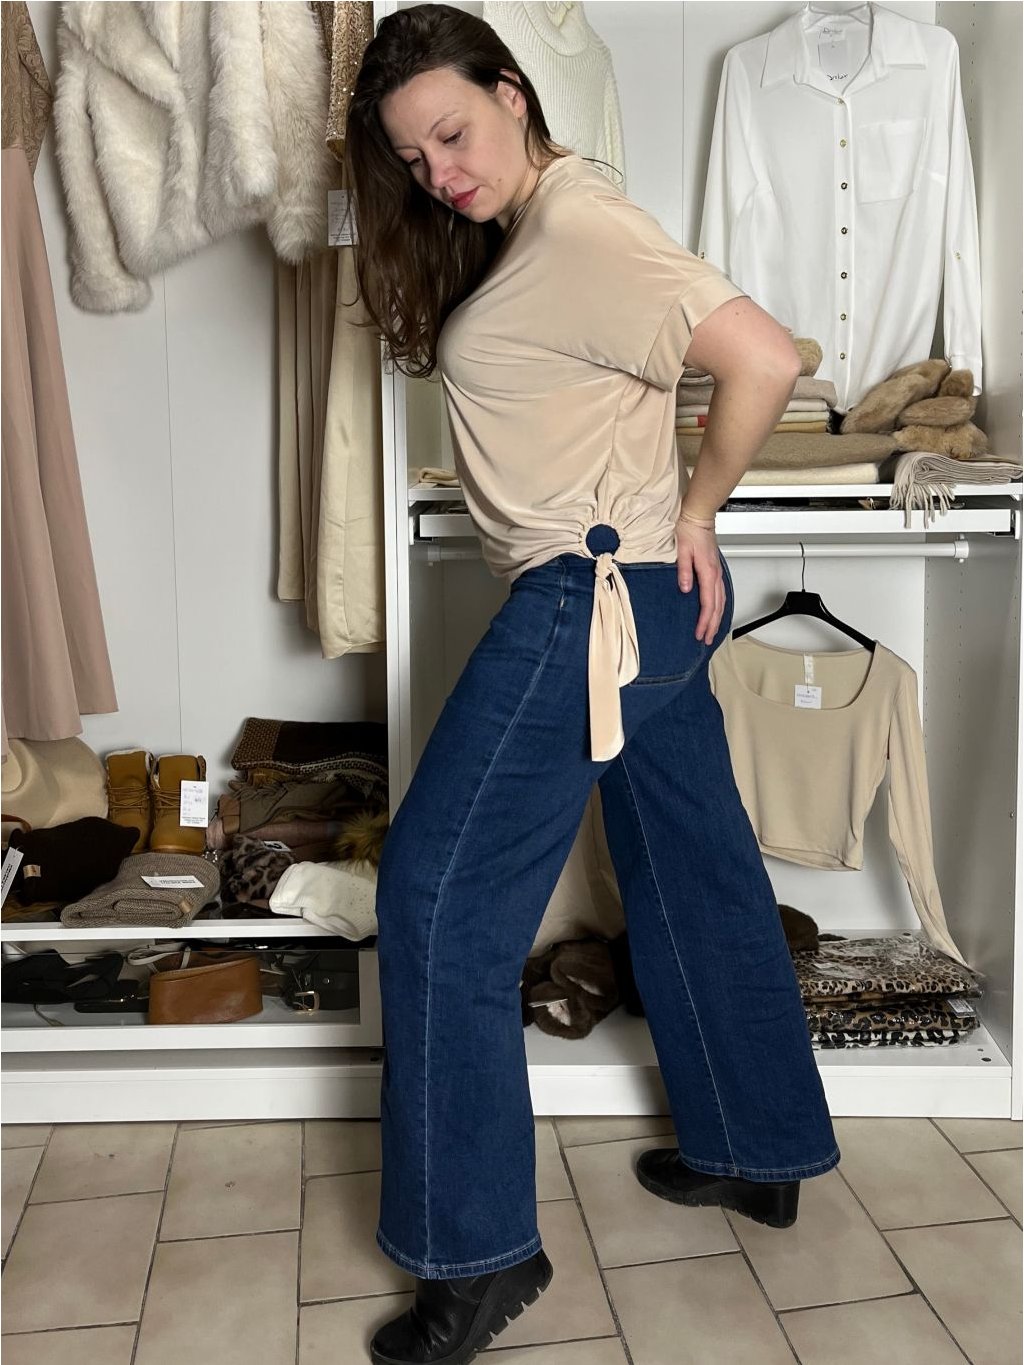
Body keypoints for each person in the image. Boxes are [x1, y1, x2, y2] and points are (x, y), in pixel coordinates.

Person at [345, 7, 840, 1363]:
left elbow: (763, 355)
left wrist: (701, 508)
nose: (441, 172)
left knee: (434, 899)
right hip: (646, 605)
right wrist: (684, 524)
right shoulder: (542, 226)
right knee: (692, 861)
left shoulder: (580, 225)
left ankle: (477, 1254)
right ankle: (757, 1145)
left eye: (454, 133)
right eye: (414, 158)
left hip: (589, 600)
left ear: (514, 92)